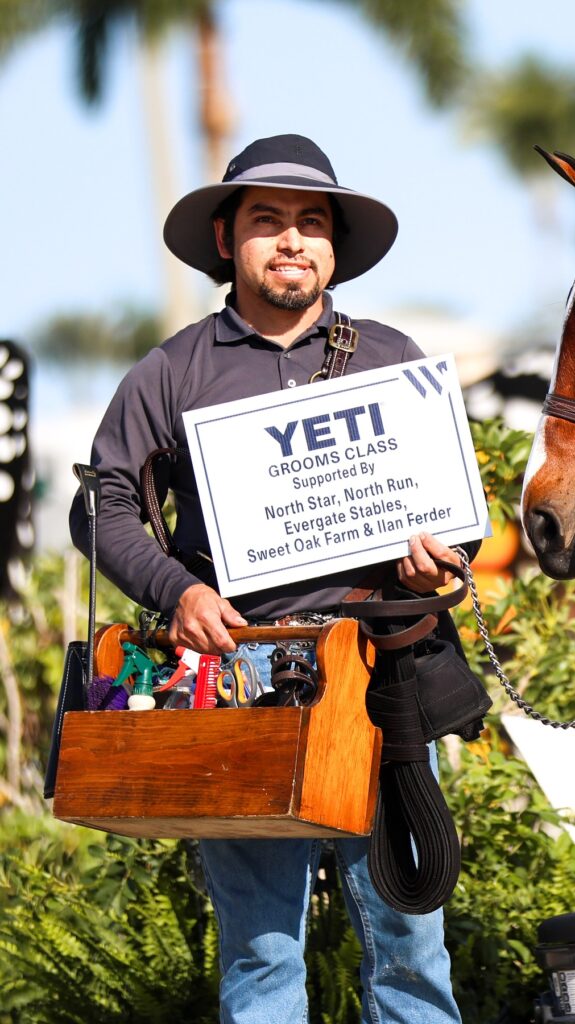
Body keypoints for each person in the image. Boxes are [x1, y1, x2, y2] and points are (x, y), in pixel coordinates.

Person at [70, 134, 464, 1023]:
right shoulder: (171, 370)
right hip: (243, 676)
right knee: (261, 954)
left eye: (310, 223)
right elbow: (100, 508)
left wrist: (438, 557)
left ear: (333, 247)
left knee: (412, 948)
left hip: (382, 675)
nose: (291, 240)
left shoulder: (395, 358)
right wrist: (178, 591)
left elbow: (453, 524)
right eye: (267, 221)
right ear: (226, 240)